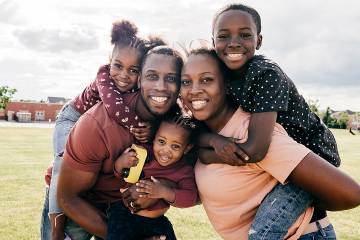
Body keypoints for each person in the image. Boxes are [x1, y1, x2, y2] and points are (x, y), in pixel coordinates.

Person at [194, 3, 343, 239]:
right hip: (288, 162)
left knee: (263, 233)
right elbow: (197, 129)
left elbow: (256, 149)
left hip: (314, 155)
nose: (234, 42)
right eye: (224, 36)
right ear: (213, 42)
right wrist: (212, 139)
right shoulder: (225, 77)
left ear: (259, 41)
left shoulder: (266, 74)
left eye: (245, 35)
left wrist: (208, 154)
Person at [179, 48, 360, 240]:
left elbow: (351, 193)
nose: (194, 89)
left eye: (207, 79)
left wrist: (297, 205)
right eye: (186, 81)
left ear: (226, 83)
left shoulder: (251, 133)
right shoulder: (203, 133)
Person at [41, 20, 163, 240]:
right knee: (62, 162)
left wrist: (153, 127)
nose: (124, 74)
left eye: (133, 70)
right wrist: (140, 127)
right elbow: (115, 109)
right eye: (118, 65)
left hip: (106, 194)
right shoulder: (104, 77)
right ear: (109, 61)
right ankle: (56, 224)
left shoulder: (138, 91)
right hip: (71, 117)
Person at [57, 45, 184, 239]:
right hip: (82, 202)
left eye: (171, 78)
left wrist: (161, 186)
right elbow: (68, 197)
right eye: (152, 76)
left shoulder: (176, 126)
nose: (161, 86)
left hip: (124, 210)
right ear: (140, 80)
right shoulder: (97, 123)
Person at [106, 114, 198, 240]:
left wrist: (163, 191)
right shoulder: (144, 153)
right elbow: (120, 175)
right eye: (162, 142)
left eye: (175, 146)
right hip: (124, 214)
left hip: (157, 220)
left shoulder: (183, 170)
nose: (166, 150)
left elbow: (190, 198)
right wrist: (121, 163)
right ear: (154, 138)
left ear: (187, 148)